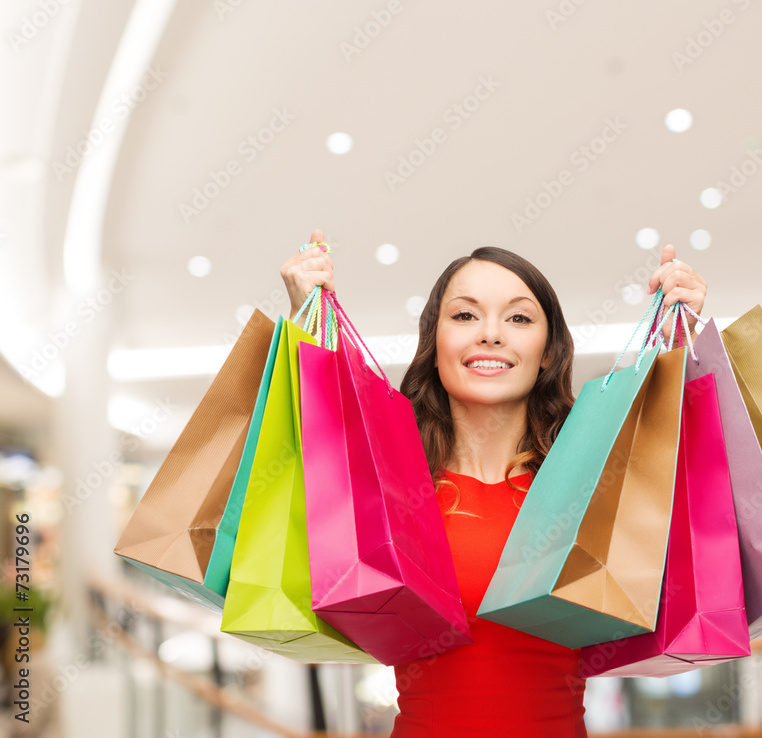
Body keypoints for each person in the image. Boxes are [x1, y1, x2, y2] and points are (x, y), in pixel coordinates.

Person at [280, 229, 708, 737]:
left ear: (548, 352)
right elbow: (311, 463)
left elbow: (689, 527)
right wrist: (307, 320)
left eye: (519, 318)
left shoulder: (593, 484)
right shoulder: (394, 487)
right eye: (465, 315)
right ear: (435, 345)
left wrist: (681, 355)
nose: (491, 333)